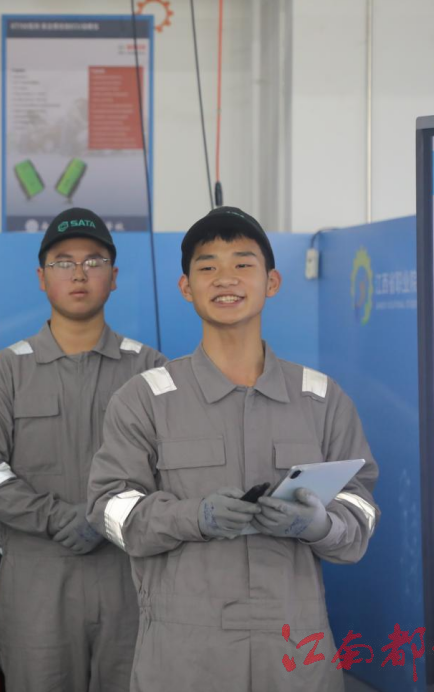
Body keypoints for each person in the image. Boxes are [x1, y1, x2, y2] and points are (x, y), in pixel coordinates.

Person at [87, 206, 380, 692]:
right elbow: (110, 509)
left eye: (243, 263)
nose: (226, 278)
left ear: (272, 282)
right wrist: (194, 517)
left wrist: (321, 524)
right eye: (208, 267)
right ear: (186, 287)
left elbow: (361, 507)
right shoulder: (146, 398)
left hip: (295, 654)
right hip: (185, 658)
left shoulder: (320, 398)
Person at [0, 207, 165, 692]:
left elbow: (173, 472)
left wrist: (108, 518)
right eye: (63, 262)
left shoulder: (150, 370)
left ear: (114, 277)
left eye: (94, 262)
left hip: (130, 578)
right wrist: (55, 518)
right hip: (38, 585)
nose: (79, 274)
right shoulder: (7, 372)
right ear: (41, 278)